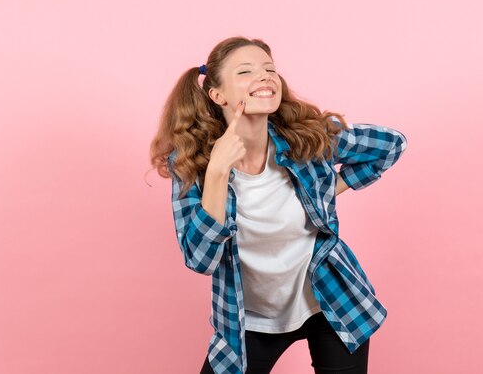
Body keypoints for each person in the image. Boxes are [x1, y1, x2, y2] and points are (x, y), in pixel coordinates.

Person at [149, 36, 407, 374]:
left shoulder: (306, 137)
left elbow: (391, 144)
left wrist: (326, 191)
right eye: (246, 71)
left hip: (330, 301)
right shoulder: (192, 163)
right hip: (250, 318)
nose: (265, 76)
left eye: (269, 69)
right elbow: (201, 260)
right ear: (218, 94)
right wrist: (217, 171)